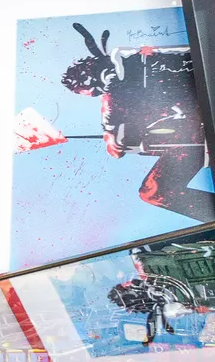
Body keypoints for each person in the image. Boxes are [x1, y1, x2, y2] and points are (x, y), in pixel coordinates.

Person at [62, 23, 213, 224]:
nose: (101, 85)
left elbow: (116, 147)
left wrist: (112, 133)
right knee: (154, 191)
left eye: (94, 78)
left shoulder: (124, 74)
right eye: (95, 88)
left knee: (154, 192)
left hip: (193, 128)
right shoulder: (129, 69)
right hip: (190, 130)